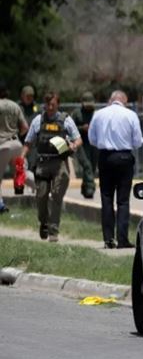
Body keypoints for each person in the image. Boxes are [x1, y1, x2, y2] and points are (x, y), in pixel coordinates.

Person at [21, 92, 82, 242]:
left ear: (58, 104)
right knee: (41, 196)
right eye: (47, 104)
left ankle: (54, 231)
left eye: (53, 104)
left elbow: (78, 139)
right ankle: (44, 223)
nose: (50, 107)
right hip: (42, 163)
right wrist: (21, 157)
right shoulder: (38, 120)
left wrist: (73, 145)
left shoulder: (65, 120)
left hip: (59, 163)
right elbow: (29, 141)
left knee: (56, 196)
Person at [88, 90, 143, 249]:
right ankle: (122, 239)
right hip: (124, 158)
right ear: (124, 101)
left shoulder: (99, 114)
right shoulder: (131, 115)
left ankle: (108, 239)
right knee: (123, 200)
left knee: (106, 198)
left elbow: (92, 139)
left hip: (105, 157)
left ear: (110, 100)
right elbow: (138, 141)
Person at [0, 82, 29, 214]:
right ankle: (44, 191)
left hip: (3, 145)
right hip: (16, 144)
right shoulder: (15, 105)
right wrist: (16, 135)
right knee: (22, 173)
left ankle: (0, 206)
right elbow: (25, 128)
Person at [71, 91, 98, 198]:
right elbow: (71, 128)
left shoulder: (96, 114)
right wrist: (82, 128)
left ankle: (85, 188)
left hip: (94, 144)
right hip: (81, 144)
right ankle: (91, 188)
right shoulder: (77, 113)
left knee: (92, 167)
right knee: (87, 166)